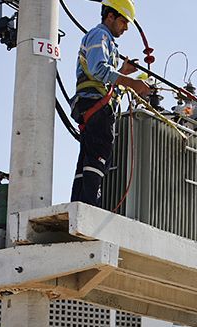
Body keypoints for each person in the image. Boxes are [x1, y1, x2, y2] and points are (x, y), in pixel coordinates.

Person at [70, 0, 151, 207]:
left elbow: (102, 73)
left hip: (89, 104)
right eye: (124, 22)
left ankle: (79, 204)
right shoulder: (101, 35)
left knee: (87, 156)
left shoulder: (105, 40)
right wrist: (132, 82)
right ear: (110, 16)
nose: (125, 28)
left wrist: (123, 72)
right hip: (96, 104)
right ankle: (90, 206)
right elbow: (99, 70)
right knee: (100, 152)